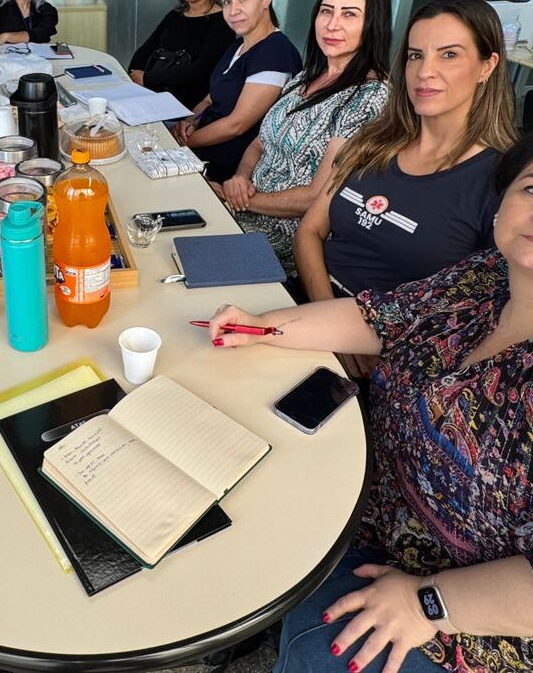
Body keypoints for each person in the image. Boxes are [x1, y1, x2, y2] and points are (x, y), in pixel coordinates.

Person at [206, 134, 533, 673]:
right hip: (368, 505)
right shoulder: (485, 277)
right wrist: (262, 326)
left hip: (471, 609)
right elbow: (379, 318)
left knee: (318, 656)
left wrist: (430, 605)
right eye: (532, 188)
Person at [294, 0, 517, 301]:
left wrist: (339, 324)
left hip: (388, 329)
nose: (425, 71)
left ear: (486, 66)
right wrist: (323, 310)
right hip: (307, 302)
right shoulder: (374, 140)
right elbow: (310, 230)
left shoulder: (501, 182)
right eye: (415, 55)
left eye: (449, 55)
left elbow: (490, 305)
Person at [225, 0, 392, 274]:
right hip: (243, 209)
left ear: (373, 24)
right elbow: (259, 143)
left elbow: (315, 197)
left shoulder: (370, 96)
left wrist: (241, 200)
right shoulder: (307, 76)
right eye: (326, 11)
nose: (332, 24)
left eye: (349, 14)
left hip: (281, 239)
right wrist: (239, 179)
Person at [173, 0, 302, 181]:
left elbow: (237, 125)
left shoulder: (275, 53)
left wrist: (183, 141)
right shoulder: (238, 45)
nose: (233, 11)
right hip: (199, 146)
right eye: (227, 1)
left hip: (225, 168)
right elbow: (210, 98)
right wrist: (190, 121)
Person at [129, 0, 235, 110]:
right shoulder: (176, 14)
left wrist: (147, 79)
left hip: (188, 108)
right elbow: (144, 51)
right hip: (152, 96)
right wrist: (133, 75)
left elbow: (200, 72)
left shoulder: (222, 22)